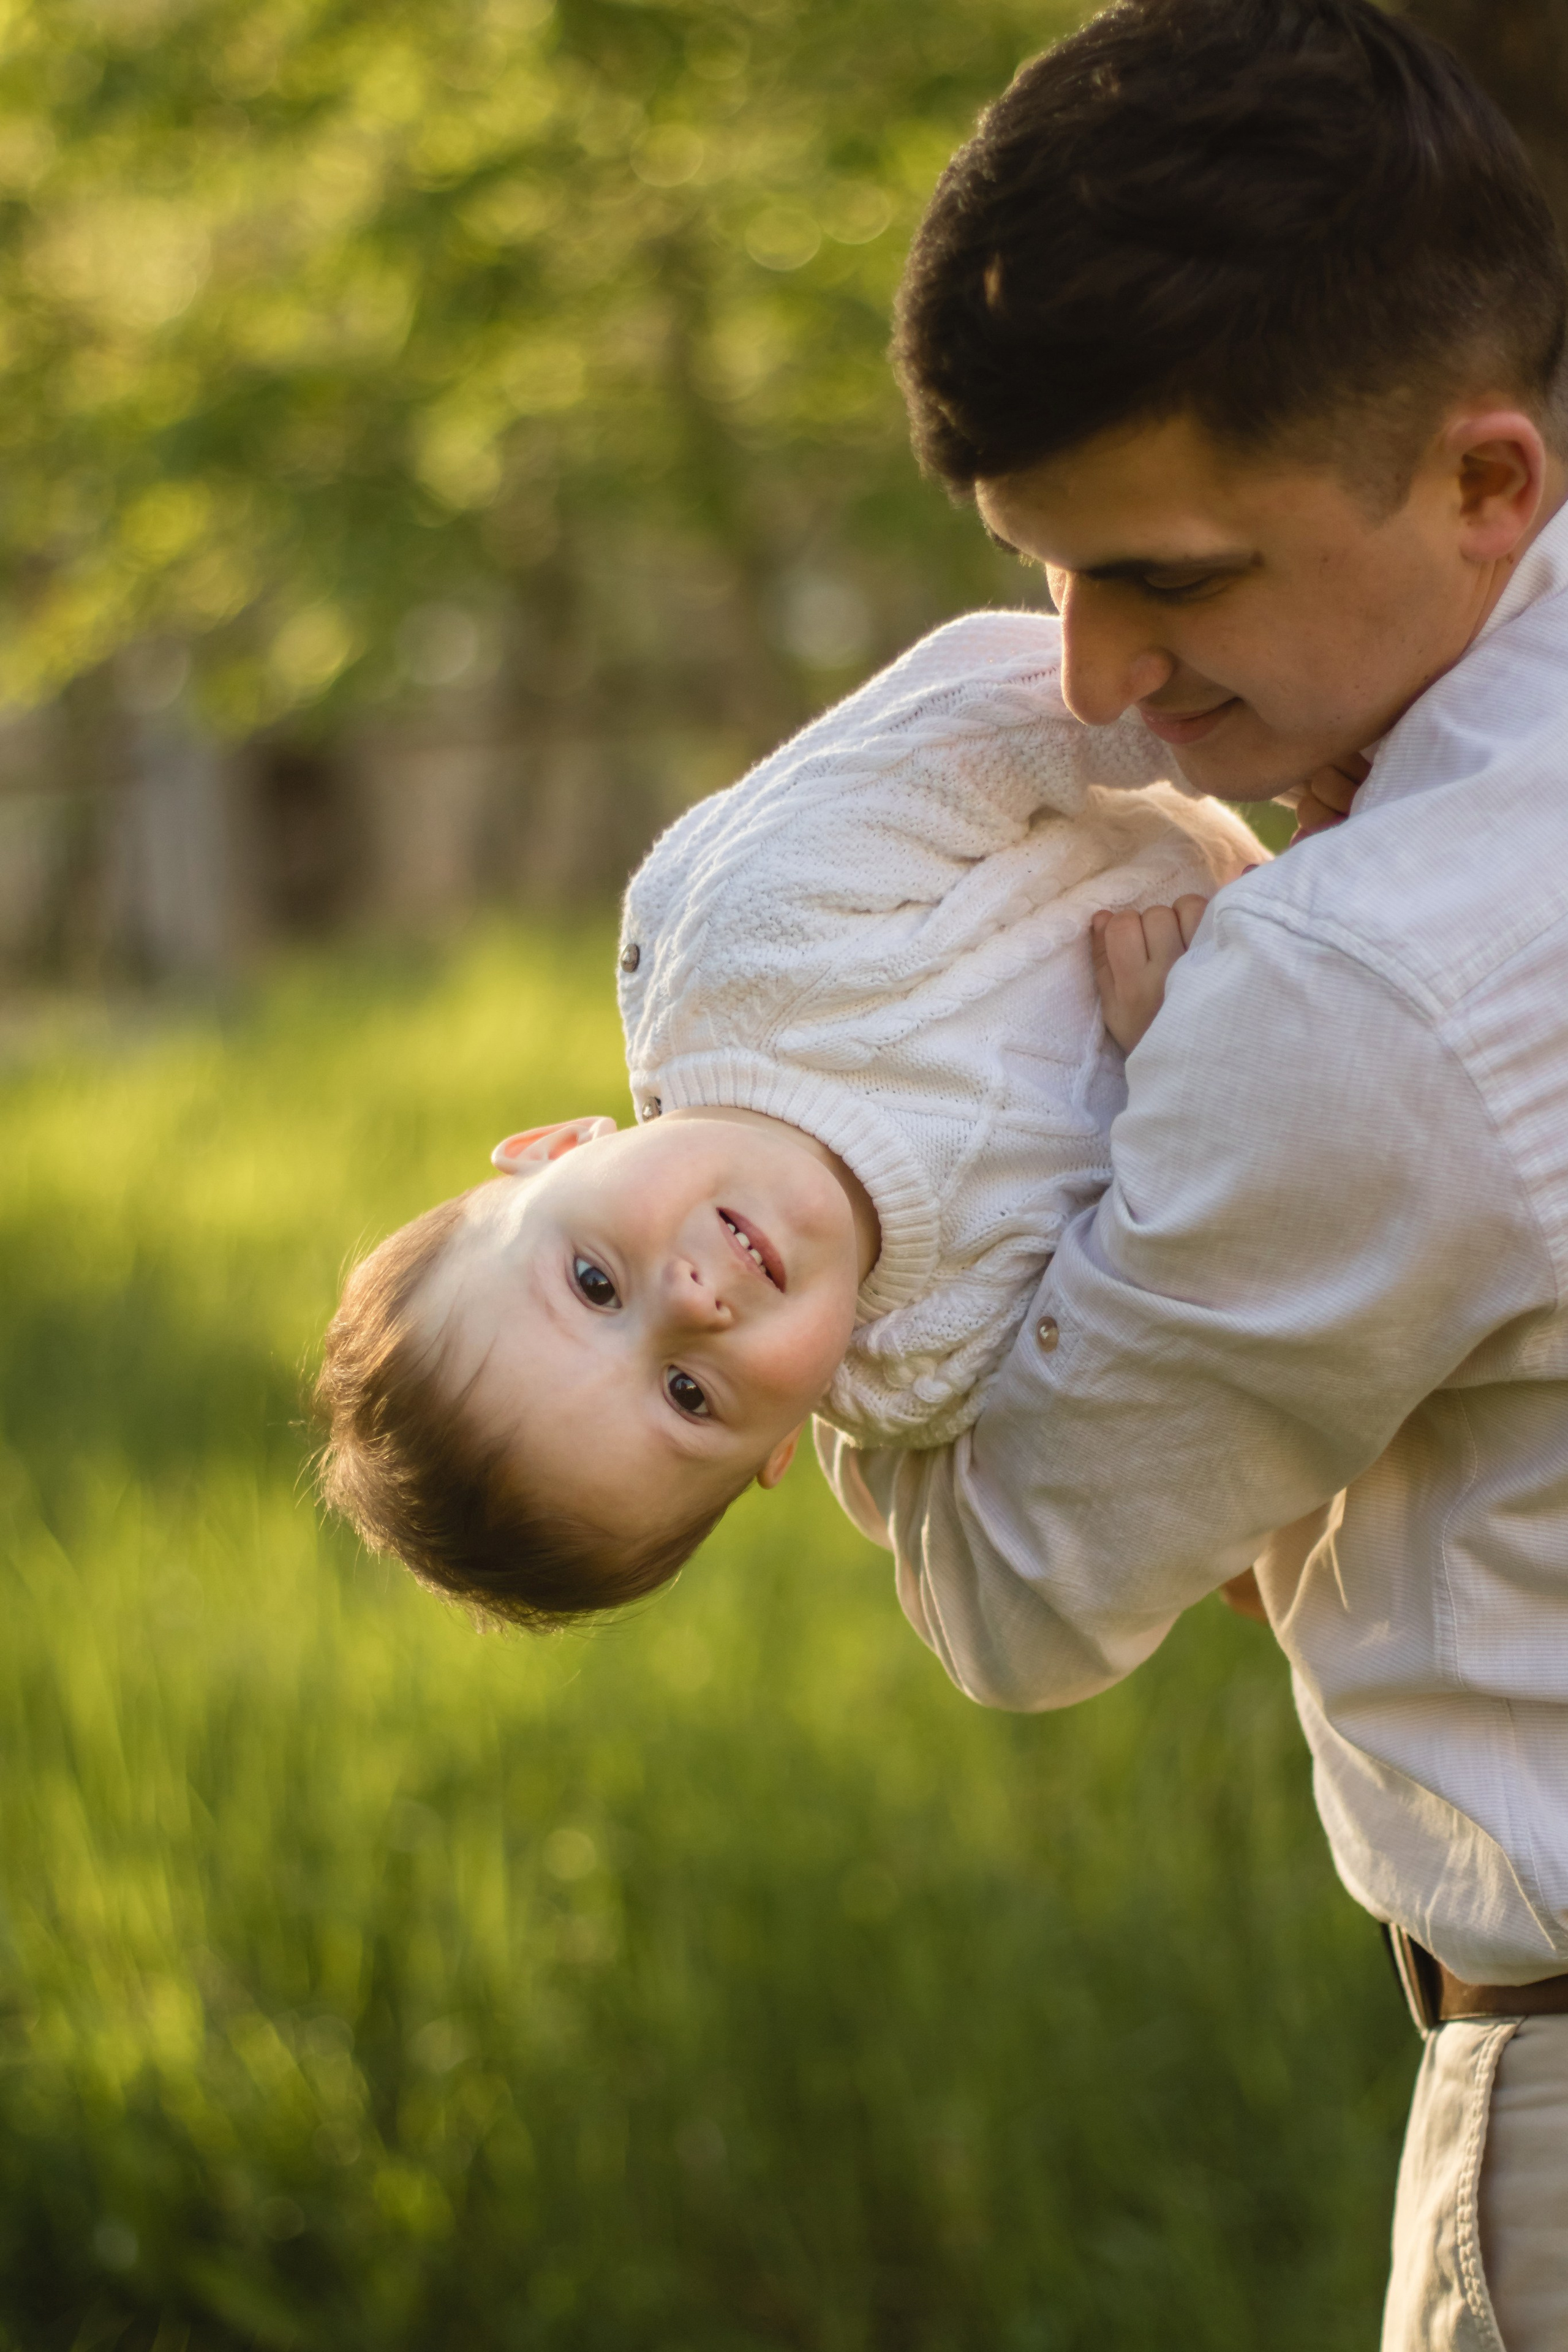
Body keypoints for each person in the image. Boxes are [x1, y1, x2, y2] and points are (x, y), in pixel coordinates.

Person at [834, 1, 1568, 2345]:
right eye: (1042, 570)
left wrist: (815, 1218)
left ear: (1485, 479)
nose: (1086, 677)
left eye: (1172, 578)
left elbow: (1026, 1583)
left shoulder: (1370, 976)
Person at [314, 608, 1259, 1623]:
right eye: (688, 1396)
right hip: (1300, 1012)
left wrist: (1267, 733)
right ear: (779, 1448)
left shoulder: (750, 943)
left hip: (1231, 718)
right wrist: (1186, 1066)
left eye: (593, 1283)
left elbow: (984, 715)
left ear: (553, 1150)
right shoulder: (924, 1374)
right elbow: (1173, 1286)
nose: (685, 1306)